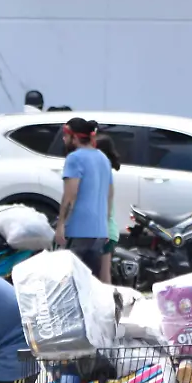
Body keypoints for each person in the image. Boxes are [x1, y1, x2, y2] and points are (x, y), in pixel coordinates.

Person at [54, 118, 113, 277]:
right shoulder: (103, 158)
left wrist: (61, 225)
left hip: (79, 229)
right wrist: (105, 225)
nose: (63, 139)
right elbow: (109, 194)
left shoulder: (74, 158)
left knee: (69, 281)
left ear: (75, 137)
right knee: (89, 282)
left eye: (66, 135)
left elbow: (70, 195)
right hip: (99, 230)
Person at [96, 135, 122, 283]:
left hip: (104, 231)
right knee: (103, 274)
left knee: (103, 276)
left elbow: (105, 206)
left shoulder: (102, 174)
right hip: (107, 230)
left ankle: (108, 305)